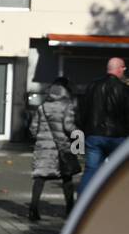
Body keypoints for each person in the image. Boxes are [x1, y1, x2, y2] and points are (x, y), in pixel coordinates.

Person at [76, 56, 129, 194]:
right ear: (119, 69)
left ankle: (82, 204)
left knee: (91, 170)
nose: (124, 71)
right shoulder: (123, 89)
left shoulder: (93, 86)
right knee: (118, 173)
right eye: (123, 68)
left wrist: (84, 130)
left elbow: (82, 109)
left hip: (94, 135)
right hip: (117, 136)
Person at [28, 77, 78, 221]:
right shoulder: (67, 106)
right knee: (67, 178)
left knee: (40, 178)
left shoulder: (42, 107)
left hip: (43, 147)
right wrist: (78, 134)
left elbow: (33, 129)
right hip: (61, 148)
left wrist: (40, 138)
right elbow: (69, 127)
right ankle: (70, 210)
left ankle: (33, 210)